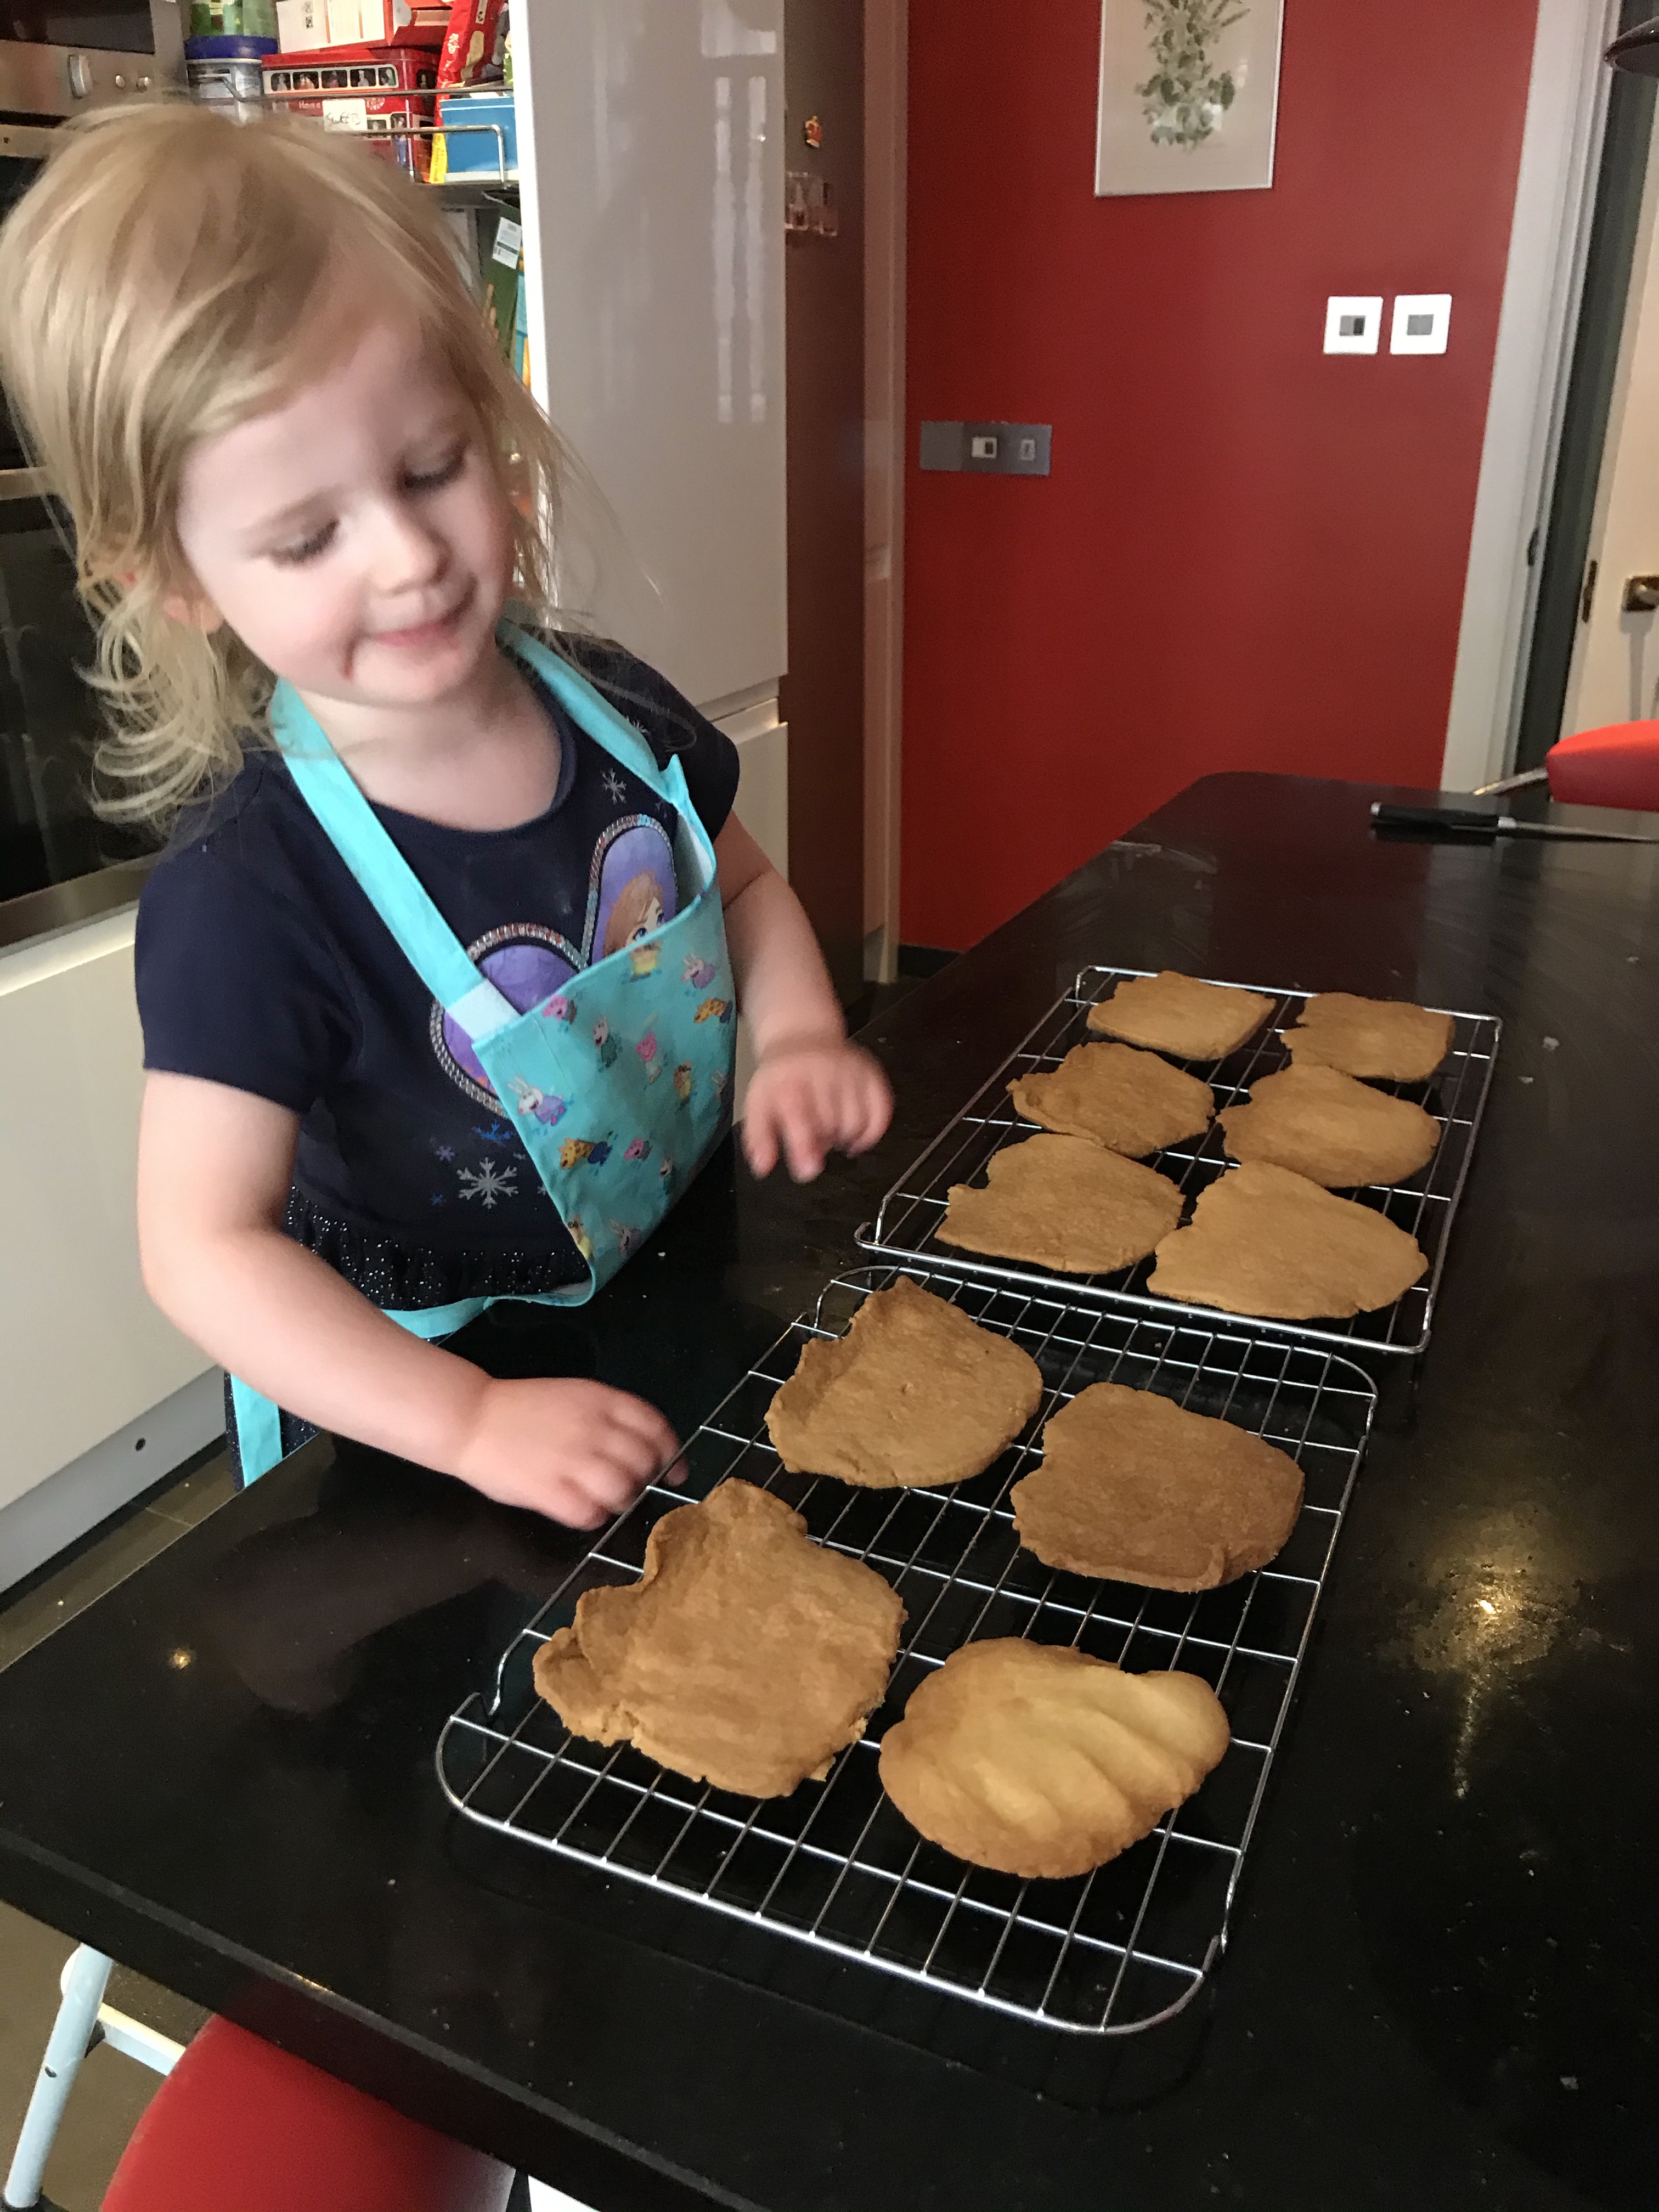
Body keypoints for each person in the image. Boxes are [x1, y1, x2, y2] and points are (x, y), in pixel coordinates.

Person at [0, 103, 890, 1527]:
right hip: (411, 1416)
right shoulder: (252, 891)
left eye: (430, 469)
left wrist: (795, 1037)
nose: (408, 554)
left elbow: (742, 890)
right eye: (309, 536)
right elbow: (205, 1248)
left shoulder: (613, 709)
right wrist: (463, 1421)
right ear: (174, 576)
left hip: (660, 1292)